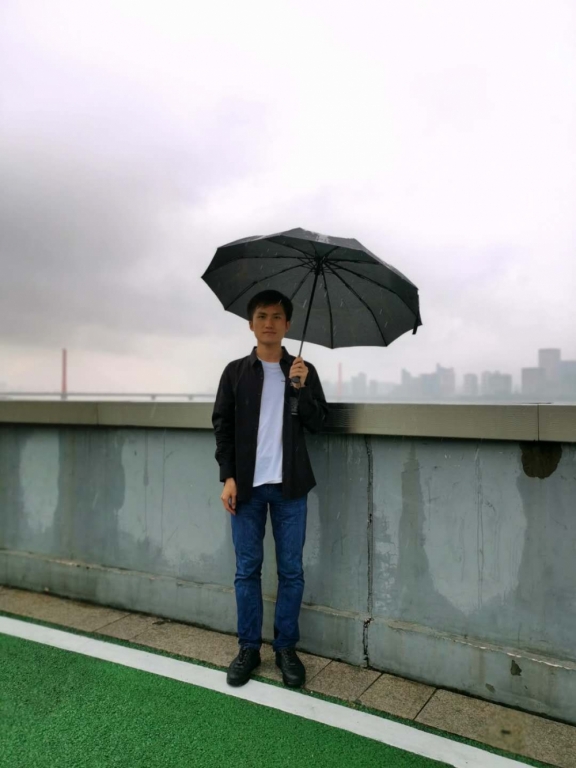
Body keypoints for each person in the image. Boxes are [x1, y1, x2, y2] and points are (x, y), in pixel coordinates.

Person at [212, 289, 329, 688]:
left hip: (290, 488)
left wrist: (301, 389)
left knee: (291, 571)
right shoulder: (235, 372)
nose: (269, 323)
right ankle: (249, 648)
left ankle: (285, 649)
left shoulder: (302, 370)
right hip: (246, 488)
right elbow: (222, 426)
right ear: (251, 324)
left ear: (287, 325)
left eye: (277, 316)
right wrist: (228, 476)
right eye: (262, 316)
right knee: (247, 570)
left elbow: (319, 422)